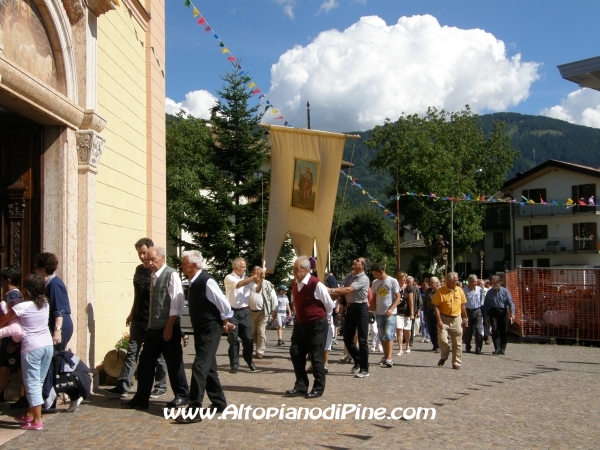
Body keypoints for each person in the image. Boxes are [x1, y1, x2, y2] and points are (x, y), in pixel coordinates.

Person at [122, 246, 189, 409]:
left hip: (168, 328)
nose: (149, 262)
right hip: (153, 329)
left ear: (162, 258)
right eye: (149, 259)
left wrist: (169, 327)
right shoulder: (153, 276)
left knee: (174, 364)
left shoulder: (171, 274)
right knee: (145, 363)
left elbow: (176, 304)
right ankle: (141, 398)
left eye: (153, 259)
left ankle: (182, 395)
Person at [102, 238, 168, 399]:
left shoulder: (157, 272)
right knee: (132, 352)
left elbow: (159, 299)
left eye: (144, 253)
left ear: (152, 250)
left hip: (151, 320)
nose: (142, 257)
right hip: (138, 318)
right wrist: (132, 313)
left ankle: (161, 386)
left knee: (158, 355)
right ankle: (122, 386)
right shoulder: (138, 270)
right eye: (140, 254)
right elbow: (138, 296)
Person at [176, 251, 235, 424]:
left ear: (194, 265)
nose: (182, 265)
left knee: (199, 366)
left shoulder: (206, 281)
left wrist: (225, 320)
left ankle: (194, 410)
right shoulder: (193, 282)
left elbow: (223, 303)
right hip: (201, 329)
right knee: (209, 368)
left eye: (184, 262)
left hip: (211, 328)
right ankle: (219, 403)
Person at [0, 275, 53, 430]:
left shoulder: (22, 307)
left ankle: (37, 421)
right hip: (47, 346)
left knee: (32, 384)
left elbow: (3, 322)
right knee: (39, 382)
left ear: (27, 289)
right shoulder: (45, 304)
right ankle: (30, 415)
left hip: (32, 348)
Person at [286, 256, 334, 398]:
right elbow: (295, 301)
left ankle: (318, 388)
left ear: (306, 270)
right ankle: (301, 385)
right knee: (296, 353)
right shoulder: (295, 283)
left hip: (316, 324)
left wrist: (326, 318)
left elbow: (329, 304)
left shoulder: (315, 284)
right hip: (300, 324)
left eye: (297, 269)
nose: (294, 272)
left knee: (316, 356)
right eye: (294, 269)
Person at [328, 257, 370, 378]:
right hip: (350, 308)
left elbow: (348, 289)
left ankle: (364, 368)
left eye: (357, 261)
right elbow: (342, 287)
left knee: (362, 339)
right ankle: (359, 360)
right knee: (347, 338)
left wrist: (331, 289)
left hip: (361, 308)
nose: (354, 261)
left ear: (362, 266)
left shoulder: (364, 278)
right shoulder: (350, 276)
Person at [32, 253, 73, 352]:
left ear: (43, 270)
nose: (34, 271)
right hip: (55, 325)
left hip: (61, 326)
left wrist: (57, 331)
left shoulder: (54, 284)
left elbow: (58, 310)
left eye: (35, 268)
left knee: (56, 358)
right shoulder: (49, 283)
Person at [224, 258, 259, 373]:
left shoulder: (246, 278)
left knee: (248, 339)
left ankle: (249, 360)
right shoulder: (229, 277)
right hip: (232, 312)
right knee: (233, 340)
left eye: (245, 266)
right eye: (243, 267)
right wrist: (253, 277)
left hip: (244, 311)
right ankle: (234, 365)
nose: (245, 268)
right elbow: (239, 285)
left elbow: (257, 289)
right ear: (236, 268)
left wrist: (260, 279)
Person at [0, 266, 26, 408]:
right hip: (9, 336)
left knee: (19, 369)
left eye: (2, 279)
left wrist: (13, 342)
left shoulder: (13, 295)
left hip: (12, 337)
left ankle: (26, 397)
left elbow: (15, 317)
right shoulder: (11, 294)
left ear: (8, 279)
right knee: (4, 368)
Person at [432, 272, 468, 370]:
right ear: (449, 281)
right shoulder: (440, 291)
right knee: (442, 340)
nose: (457, 282)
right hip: (443, 318)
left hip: (456, 318)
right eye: (455, 281)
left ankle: (456, 363)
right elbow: (436, 306)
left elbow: (463, 305)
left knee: (457, 342)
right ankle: (444, 355)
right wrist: (439, 320)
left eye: (457, 280)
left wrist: (465, 318)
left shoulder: (459, 290)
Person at [371, 263, 400, 368]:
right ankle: (385, 355)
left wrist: (391, 309)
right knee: (381, 335)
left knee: (389, 334)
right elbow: (374, 297)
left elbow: (398, 297)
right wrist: (370, 307)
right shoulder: (375, 283)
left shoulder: (392, 281)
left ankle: (389, 358)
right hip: (379, 312)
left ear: (381, 272)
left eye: (376, 274)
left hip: (390, 313)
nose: (375, 276)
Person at [249, 267, 277, 359]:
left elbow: (273, 297)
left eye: (261, 272)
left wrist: (274, 309)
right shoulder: (249, 283)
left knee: (261, 331)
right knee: (252, 332)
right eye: (257, 272)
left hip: (263, 311)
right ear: (253, 272)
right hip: (251, 312)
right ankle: (259, 346)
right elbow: (256, 289)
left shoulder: (267, 284)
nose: (259, 274)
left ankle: (260, 351)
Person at [483, 276, 516, 355]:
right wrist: (485, 315)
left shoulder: (505, 291)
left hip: (503, 312)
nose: (493, 284)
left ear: (499, 283)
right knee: (494, 330)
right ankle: (497, 348)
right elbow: (486, 305)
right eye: (492, 282)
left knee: (503, 331)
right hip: (493, 312)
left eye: (495, 282)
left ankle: (502, 348)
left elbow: (510, 302)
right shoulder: (489, 292)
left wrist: (512, 313)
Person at [463, 274, 484, 354]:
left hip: (477, 310)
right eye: (474, 282)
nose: (475, 283)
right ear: (469, 282)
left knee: (478, 330)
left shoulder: (479, 289)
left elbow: (481, 299)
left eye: (476, 281)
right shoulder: (464, 290)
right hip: (468, 311)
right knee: (468, 330)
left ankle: (478, 348)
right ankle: (468, 346)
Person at [395, 272, 414, 356]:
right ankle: (400, 349)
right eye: (403, 278)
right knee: (399, 329)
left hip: (407, 311)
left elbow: (411, 301)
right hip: (398, 311)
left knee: (407, 330)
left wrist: (412, 313)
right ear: (399, 278)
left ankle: (407, 345)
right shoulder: (396, 287)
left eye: (405, 278)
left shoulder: (409, 288)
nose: (404, 279)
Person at [424, 277, 440, 352]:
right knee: (431, 329)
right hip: (429, 311)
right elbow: (425, 303)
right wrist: (424, 314)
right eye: (430, 282)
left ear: (437, 283)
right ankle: (434, 345)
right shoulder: (428, 291)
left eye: (432, 282)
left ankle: (438, 345)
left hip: (438, 312)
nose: (431, 284)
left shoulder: (440, 290)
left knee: (438, 329)